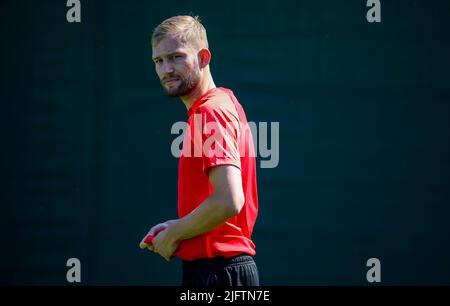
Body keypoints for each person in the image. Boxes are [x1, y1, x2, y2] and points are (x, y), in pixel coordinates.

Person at [140, 15, 259, 286]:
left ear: (204, 58)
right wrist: (179, 229)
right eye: (159, 61)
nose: (166, 69)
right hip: (217, 271)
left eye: (176, 57)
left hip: (219, 274)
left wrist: (174, 235)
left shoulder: (210, 111)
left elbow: (229, 201)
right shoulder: (220, 102)